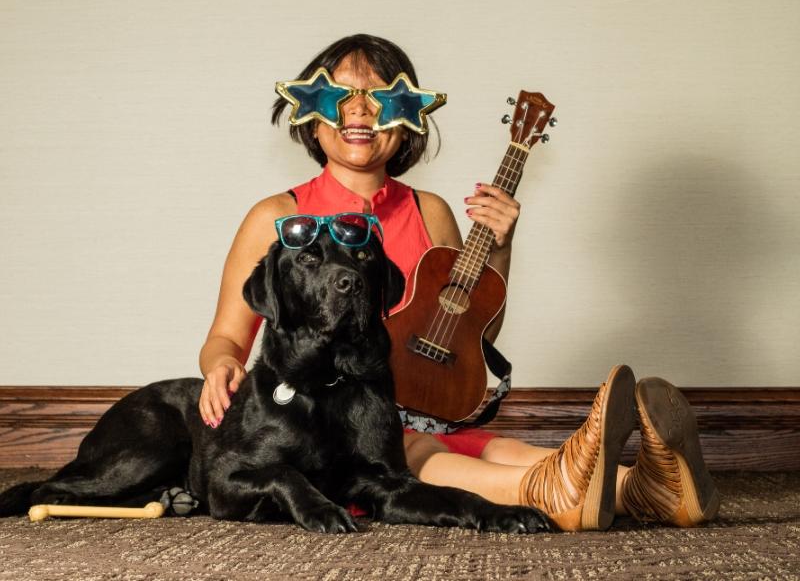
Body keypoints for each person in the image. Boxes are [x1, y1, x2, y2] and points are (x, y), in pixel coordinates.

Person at [197, 34, 719, 532]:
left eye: (382, 98)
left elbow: (468, 335)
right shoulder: (278, 217)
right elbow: (226, 337)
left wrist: (500, 246)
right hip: (329, 422)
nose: (360, 111)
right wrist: (221, 364)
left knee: (495, 447)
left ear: (411, 122)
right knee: (418, 453)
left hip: (415, 407)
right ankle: (565, 489)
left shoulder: (430, 212)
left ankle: (652, 487)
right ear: (311, 120)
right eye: (339, 96)